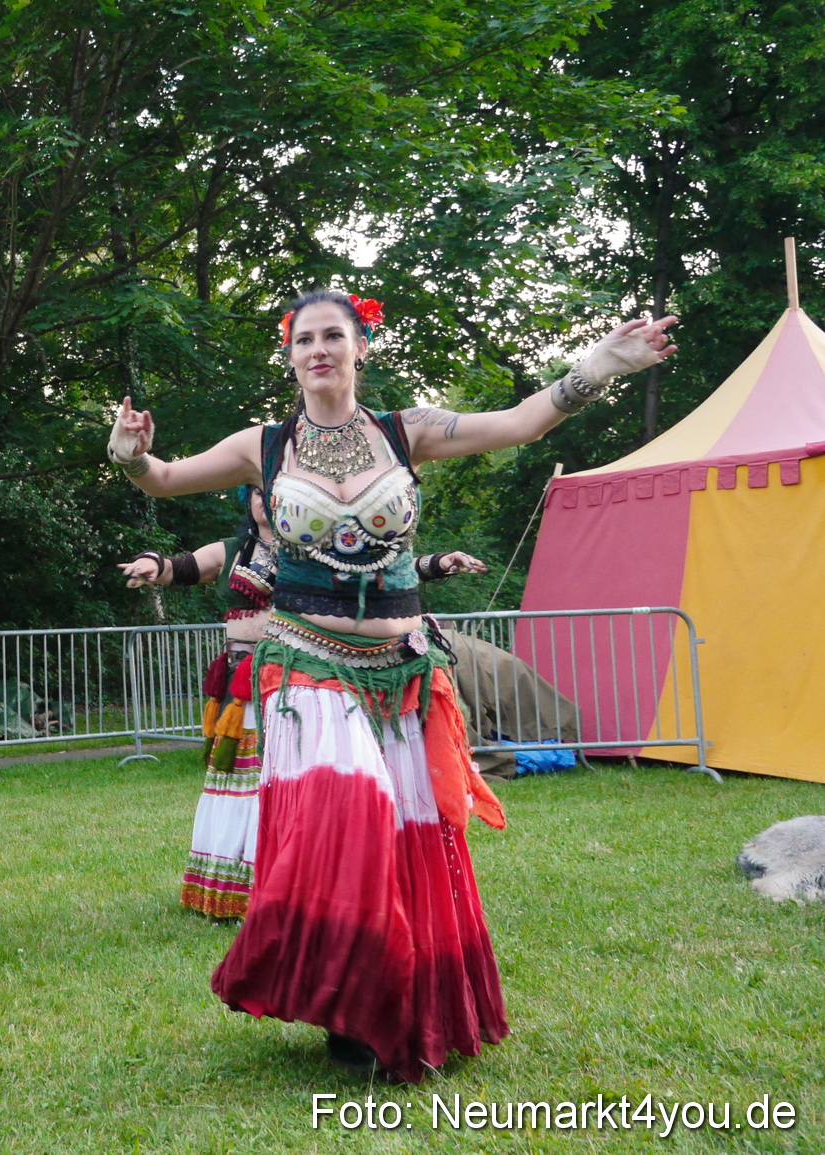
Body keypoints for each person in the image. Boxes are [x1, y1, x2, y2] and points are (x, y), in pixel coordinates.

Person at [108, 289, 675, 1081]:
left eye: (333, 335)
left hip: (402, 668)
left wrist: (603, 365)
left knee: (414, 838)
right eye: (304, 338)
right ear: (290, 354)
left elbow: (517, 424)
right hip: (307, 663)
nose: (319, 349)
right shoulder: (263, 446)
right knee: (353, 822)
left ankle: (385, 1004)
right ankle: (350, 1000)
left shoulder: (406, 432)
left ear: (359, 347)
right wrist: (129, 452)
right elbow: (164, 479)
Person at [121, 492, 485, 921]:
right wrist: (151, 564)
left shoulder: (322, 548)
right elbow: (181, 568)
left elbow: (384, 571)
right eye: (258, 493)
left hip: (306, 678)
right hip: (246, 682)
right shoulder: (232, 550)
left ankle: (307, 887)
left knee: (301, 779)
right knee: (247, 783)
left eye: (275, 493)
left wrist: (439, 563)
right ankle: (235, 890)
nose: (266, 502)